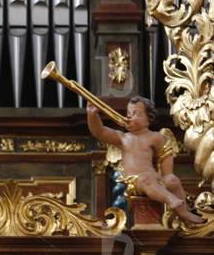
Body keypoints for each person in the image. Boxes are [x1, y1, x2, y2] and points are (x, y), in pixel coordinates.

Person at [86, 95, 204, 225]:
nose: (129, 116)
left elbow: (166, 158)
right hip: (134, 181)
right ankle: (172, 200)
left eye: (135, 114)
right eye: (128, 113)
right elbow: (100, 132)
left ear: (148, 119)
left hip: (152, 177)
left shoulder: (155, 137)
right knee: (146, 180)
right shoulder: (123, 138)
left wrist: (167, 176)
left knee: (173, 181)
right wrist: (92, 116)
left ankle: (184, 212)